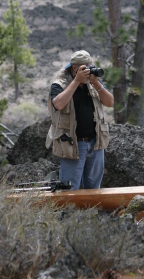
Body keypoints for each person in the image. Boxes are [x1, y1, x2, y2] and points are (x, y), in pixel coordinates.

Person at [46, 50, 114, 190]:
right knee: (69, 191)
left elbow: (110, 102)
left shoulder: (92, 83)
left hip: (95, 143)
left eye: (90, 67)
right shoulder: (60, 84)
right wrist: (77, 81)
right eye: (85, 68)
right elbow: (58, 104)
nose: (88, 71)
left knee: (94, 189)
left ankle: (90, 213)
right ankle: (69, 213)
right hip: (73, 143)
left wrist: (96, 83)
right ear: (74, 68)